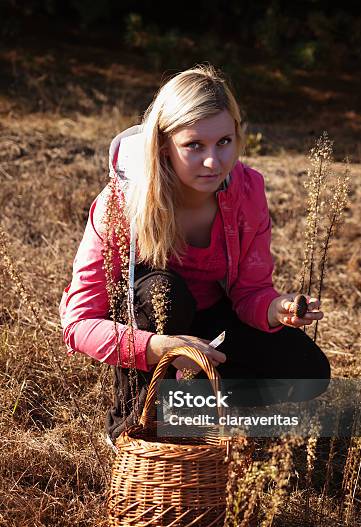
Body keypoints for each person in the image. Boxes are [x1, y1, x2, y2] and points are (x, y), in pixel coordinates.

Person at [59, 64, 330, 445]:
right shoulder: (119, 204)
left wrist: (274, 308)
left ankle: (194, 407)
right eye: (194, 145)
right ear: (163, 145)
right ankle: (134, 423)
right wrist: (157, 348)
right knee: (165, 294)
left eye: (224, 142)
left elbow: (251, 292)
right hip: (153, 321)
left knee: (309, 372)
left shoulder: (248, 190)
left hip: (214, 320)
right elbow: (78, 323)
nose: (213, 162)